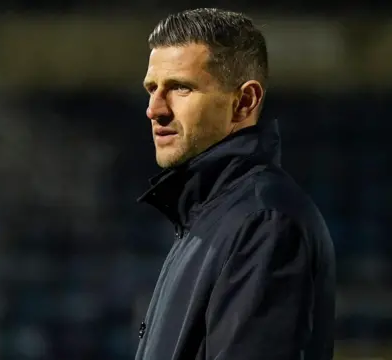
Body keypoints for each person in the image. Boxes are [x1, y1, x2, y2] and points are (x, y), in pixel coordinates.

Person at [136, 8, 335, 360]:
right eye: (152, 88)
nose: (155, 109)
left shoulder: (264, 223)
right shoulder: (211, 217)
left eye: (180, 88)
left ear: (244, 101)